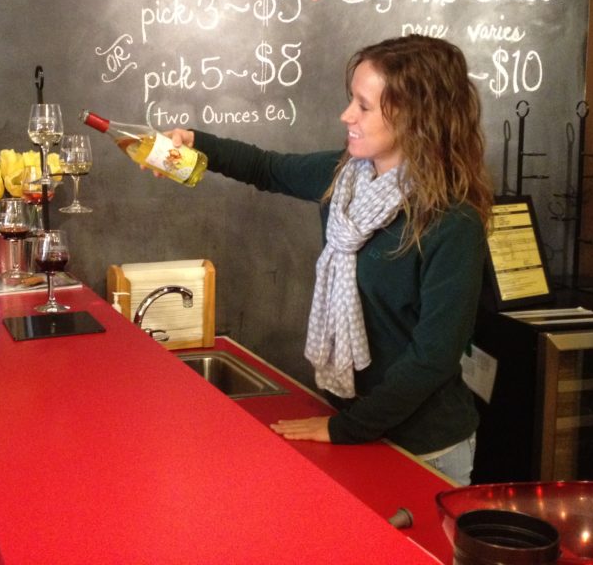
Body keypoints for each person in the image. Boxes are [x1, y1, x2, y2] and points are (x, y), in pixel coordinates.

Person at [168, 34, 492, 485]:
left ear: (416, 117)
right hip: (353, 424)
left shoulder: (452, 222)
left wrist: (345, 429)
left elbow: (432, 359)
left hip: (425, 447)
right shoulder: (346, 178)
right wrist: (193, 142)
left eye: (364, 106)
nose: (347, 115)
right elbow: (265, 167)